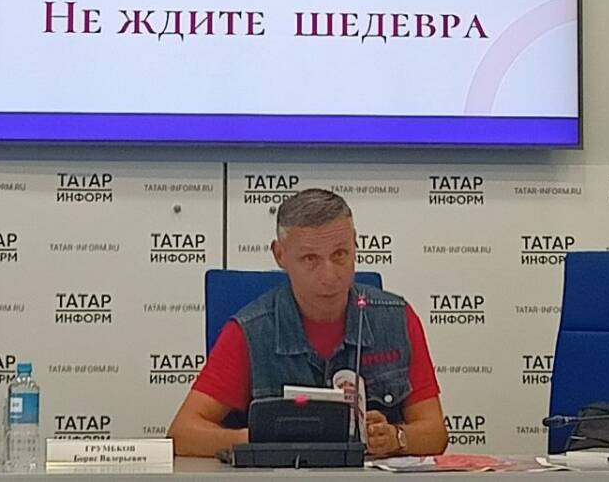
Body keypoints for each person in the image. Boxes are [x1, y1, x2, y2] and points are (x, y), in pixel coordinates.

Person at [168, 188, 448, 458]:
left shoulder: (397, 318)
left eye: (340, 255)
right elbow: (182, 434)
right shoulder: (251, 331)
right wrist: (262, 438)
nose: (329, 275)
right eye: (310, 259)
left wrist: (397, 438)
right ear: (280, 255)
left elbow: (435, 433)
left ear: (355, 245)